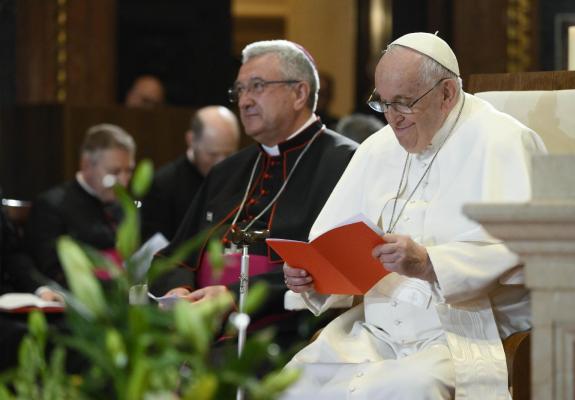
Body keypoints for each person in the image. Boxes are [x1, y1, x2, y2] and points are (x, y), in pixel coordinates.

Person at [281, 32, 547, 399]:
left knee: (402, 388)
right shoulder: (377, 149)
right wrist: (311, 275)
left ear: (447, 94)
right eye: (383, 103)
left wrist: (430, 263)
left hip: (461, 334)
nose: (392, 119)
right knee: (292, 384)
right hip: (374, 333)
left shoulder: (505, 141)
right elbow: (333, 242)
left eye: (404, 104)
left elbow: (530, 250)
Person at [152, 40, 357, 346]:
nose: (244, 101)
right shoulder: (226, 171)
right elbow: (177, 255)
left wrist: (233, 297)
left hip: (281, 331)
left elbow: (338, 266)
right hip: (194, 328)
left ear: (299, 93)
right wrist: (177, 291)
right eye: (240, 90)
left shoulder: (347, 162)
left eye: (257, 86)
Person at [25, 124, 136, 297]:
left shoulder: (124, 205)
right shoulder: (52, 205)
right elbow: (53, 271)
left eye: (128, 171)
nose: (123, 181)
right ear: (86, 165)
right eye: (114, 172)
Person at [141, 106, 241, 240]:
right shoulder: (164, 184)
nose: (221, 163)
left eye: (229, 154)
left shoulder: (241, 176)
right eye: (213, 154)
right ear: (191, 140)